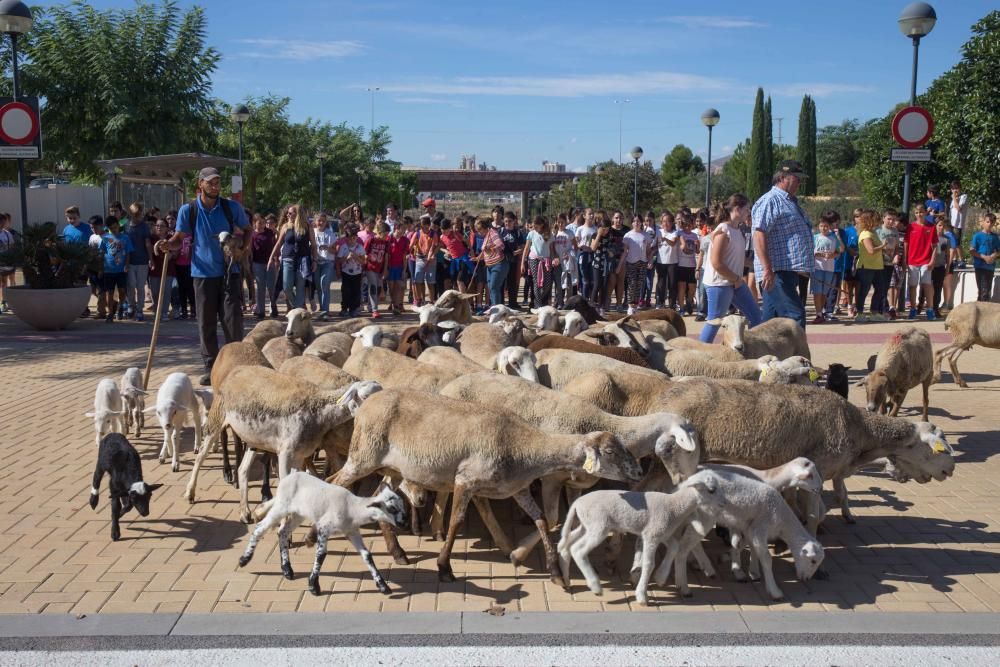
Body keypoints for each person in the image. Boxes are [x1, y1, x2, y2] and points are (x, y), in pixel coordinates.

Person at [157, 167, 250, 384]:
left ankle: (235, 365)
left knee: (232, 321)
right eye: (211, 182)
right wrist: (167, 244)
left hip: (229, 272)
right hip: (202, 274)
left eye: (218, 182)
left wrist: (241, 249)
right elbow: (179, 237)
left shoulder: (230, 207)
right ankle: (210, 367)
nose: (215, 186)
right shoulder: (188, 210)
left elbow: (248, 230)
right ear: (200, 184)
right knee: (206, 323)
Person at [751, 160, 814, 329]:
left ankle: (763, 353)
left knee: (770, 322)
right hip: (776, 272)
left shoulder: (791, 201)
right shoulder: (770, 200)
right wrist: (767, 269)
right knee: (794, 317)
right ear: (782, 177)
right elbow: (759, 234)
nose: (800, 182)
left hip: (785, 271)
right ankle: (799, 355)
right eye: (797, 178)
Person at [699, 194, 763, 343]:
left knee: (756, 316)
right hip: (719, 284)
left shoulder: (737, 230)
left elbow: (737, 258)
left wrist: (757, 264)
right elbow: (716, 263)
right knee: (714, 322)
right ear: (737, 209)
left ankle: (751, 348)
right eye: (747, 209)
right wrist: (736, 279)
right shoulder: (723, 231)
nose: (749, 212)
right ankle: (698, 354)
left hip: (734, 283)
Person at [268, 204, 316, 311]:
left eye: (290, 213)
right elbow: (278, 244)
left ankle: (298, 312)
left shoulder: (307, 227)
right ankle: (298, 308)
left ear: (297, 214)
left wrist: (315, 260)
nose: (288, 215)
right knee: (286, 287)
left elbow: (313, 245)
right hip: (287, 259)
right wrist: (271, 258)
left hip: (303, 261)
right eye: (287, 213)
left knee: (300, 288)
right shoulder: (285, 226)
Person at [904, 203, 939, 320]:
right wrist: (905, 259)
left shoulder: (931, 227)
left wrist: (932, 260)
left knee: (926, 284)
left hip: (926, 260)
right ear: (915, 214)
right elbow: (906, 243)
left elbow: (935, 246)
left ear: (925, 212)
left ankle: (930, 309)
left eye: (921, 212)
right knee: (912, 285)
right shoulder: (911, 227)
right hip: (912, 260)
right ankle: (913, 309)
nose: (919, 215)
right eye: (917, 213)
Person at [100, 217, 133, 323]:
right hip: (108, 270)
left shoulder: (125, 238)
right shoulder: (105, 237)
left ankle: (120, 307)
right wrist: (100, 268)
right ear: (108, 228)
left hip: (121, 270)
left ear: (118, 225)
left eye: (115, 227)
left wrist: (127, 265)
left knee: (122, 291)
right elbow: (102, 253)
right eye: (111, 228)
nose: (113, 230)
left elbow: (128, 253)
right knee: (109, 292)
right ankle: (110, 313)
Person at [123, 202, 153, 321]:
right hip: (130, 261)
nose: (139, 217)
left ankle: (140, 309)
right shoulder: (126, 226)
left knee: (140, 286)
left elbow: (148, 243)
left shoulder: (144, 226)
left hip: (142, 261)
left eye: (140, 215)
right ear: (131, 214)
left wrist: (151, 259)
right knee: (130, 285)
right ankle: (131, 305)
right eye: (136, 215)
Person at [854, 209, 885, 322]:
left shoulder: (873, 232)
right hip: (866, 267)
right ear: (870, 220)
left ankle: (874, 312)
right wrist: (883, 246)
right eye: (876, 219)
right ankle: (860, 313)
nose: (878, 221)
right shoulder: (866, 234)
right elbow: (870, 250)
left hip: (877, 266)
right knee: (864, 290)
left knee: (880, 289)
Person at [811, 215, 841, 324]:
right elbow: (810, 252)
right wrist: (818, 254)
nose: (823, 228)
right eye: (821, 226)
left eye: (826, 226)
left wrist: (832, 255)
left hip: (829, 268)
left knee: (824, 292)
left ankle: (821, 312)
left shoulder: (833, 238)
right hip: (817, 267)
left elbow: (839, 251)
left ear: (829, 227)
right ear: (818, 227)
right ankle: (818, 313)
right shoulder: (815, 237)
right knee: (817, 292)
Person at [522, 216, 554, 308]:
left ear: (542, 225)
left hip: (546, 261)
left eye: (536, 226)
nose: (534, 228)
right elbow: (526, 248)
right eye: (533, 226)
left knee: (547, 284)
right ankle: (538, 305)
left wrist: (553, 260)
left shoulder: (549, 235)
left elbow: (551, 250)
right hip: (534, 259)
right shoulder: (531, 234)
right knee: (537, 282)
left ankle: (541, 300)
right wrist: (523, 263)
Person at [250, 213, 278, 319]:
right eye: (260, 223)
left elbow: (276, 244)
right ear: (254, 223)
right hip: (257, 263)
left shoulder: (270, 232)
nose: (262, 225)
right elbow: (251, 251)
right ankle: (261, 310)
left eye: (263, 223)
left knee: (271, 286)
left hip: (270, 262)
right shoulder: (252, 235)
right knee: (260, 287)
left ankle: (273, 306)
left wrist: (275, 260)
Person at [148, 219, 176, 321]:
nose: (159, 227)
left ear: (167, 228)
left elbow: (176, 250)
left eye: (162, 226)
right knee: (155, 292)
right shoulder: (152, 238)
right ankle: (157, 312)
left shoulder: (171, 238)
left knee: (166, 291)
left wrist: (172, 255)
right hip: (155, 269)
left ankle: (164, 312)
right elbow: (149, 250)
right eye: (157, 225)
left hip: (168, 269)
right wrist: (151, 260)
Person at [336, 222, 366, 317]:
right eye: (350, 238)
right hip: (346, 273)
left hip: (357, 273)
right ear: (347, 238)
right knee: (346, 291)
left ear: (356, 237)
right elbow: (339, 260)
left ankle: (354, 309)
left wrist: (356, 257)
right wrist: (346, 258)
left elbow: (363, 261)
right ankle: (344, 308)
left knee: (356, 291)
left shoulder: (360, 248)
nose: (352, 240)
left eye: (354, 238)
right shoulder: (343, 247)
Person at [623, 217, 651, 315]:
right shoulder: (628, 235)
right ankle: (630, 305)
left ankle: (635, 305)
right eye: (634, 221)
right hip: (631, 262)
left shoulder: (646, 235)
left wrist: (650, 260)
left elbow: (648, 251)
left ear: (641, 223)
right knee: (632, 284)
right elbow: (625, 251)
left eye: (638, 221)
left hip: (642, 262)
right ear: (632, 223)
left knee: (639, 284)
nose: (636, 223)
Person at [876, 210, 901, 319]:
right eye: (889, 219)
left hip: (890, 263)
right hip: (879, 262)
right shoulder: (878, 231)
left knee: (886, 286)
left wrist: (896, 256)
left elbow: (896, 247)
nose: (891, 221)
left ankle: (884, 310)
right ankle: (881, 309)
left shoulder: (895, 232)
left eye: (893, 219)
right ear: (883, 218)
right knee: (880, 287)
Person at [477, 218, 506, 308]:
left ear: (485, 228)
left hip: (498, 265)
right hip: (490, 266)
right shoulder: (487, 235)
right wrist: (477, 258)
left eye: (479, 230)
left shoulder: (492, 233)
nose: (479, 233)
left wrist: (490, 248)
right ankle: (495, 308)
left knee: (493, 288)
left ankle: (496, 310)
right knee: (491, 288)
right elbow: (486, 253)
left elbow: (501, 245)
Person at [313, 213, 338, 320]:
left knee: (324, 283)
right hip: (316, 262)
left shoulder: (330, 234)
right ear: (315, 222)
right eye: (319, 220)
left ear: (326, 222)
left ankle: (325, 310)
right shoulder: (312, 232)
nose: (321, 223)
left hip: (328, 262)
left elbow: (335, 250)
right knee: (318, 286)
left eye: (323, 221)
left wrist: (328, 248)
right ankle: (322, 308)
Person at [970, 213, 999, 302]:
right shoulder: (977, 236)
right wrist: (983, 257)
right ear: (983, 222)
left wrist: (994, 255)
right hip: (980, 266)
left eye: (992, 222)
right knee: (983, 290)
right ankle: (982, 310)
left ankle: (980, 309)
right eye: (987, 222)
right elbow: (972, 250)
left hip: (990, 267)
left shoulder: (995, 237)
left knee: (987, 290)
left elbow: (998, 250)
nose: (989, 224)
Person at [410, 214, 438, 305]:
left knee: (430, 281)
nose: (424, 228)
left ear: (429, 225)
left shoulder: (433, 234)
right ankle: (420, 299)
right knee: (418, 280)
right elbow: (410, 245)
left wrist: (430, 256)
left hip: (431, 260)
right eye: (422, 226)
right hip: (420, 259)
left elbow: (433, 247)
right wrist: (409, 253)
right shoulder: (417, 233)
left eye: (426, 226)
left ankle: (431, 300)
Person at [364, 222, 390, 318]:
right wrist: (369, 258)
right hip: (370, 267)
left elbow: (386, 257)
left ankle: (370, 306)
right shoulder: (370, 240)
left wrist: (385, 269)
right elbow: (364, 253)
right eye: (385, 234)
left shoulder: (386, 242)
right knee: (373, 287)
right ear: (379, 232)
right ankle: (375, 310)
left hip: (379, 268)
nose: (387, 236)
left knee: (378, 288)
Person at [552, 214, 577, 309]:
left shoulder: (570, 233)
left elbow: (575, 246)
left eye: (562, 222)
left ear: (566, 222)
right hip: (558, 262)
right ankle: (559, 302)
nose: (560, 224)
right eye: (558, 222)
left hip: (568, 262)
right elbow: (552, 247)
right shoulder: (554, 233)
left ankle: (571, 303)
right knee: (559, 282)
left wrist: (570, 254)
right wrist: (555, 257)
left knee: (569, 283)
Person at [675, 216, 700, 315]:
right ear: (683, 225)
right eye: (686, 225)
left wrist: (698, 245)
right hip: (681, 265)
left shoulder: (694, 235)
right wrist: (683, 240)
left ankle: (689, 301)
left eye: (690, 225)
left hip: (692, 264)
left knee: (692, 287)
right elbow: (683, 248)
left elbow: (697, 251)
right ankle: (681, 308)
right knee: (682, 287)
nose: (688, 227)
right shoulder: (680, 234)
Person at [654, 211, 678, 309]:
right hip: (661, 262)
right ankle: (660, 302)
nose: (666, 224)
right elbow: (654, 245)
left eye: (668, 221)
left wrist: (665, 239)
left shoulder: (675, 232)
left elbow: (673, 243)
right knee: (661, 284)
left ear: (672, 223)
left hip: (672, 263)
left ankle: (672, 305)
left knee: (672, 284)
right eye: (664, 221)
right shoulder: (659, 232)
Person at [386, 221, 410, 315]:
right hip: (390, 266)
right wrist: (386, 268)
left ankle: (397, 305)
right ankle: (393, 302)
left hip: (399, 266)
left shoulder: (405, 240)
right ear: (397, 228)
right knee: (391, 286)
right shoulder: (389, 239)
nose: (404, 230)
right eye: (403, 228)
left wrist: (404, 270)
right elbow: (387, 255)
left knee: (399, 286)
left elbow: (404, 256)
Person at [574, 208, 597, 303]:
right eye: (589, 214)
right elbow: (575, 243)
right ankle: (584, 301)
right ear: (584, 216)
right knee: (585, 280)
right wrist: (581, 246)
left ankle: (592, 300)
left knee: (592, 280)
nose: (591, 216)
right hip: (583, 256)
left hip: (593, 256)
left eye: (592, 214)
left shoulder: (595, 228)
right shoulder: (580, 229)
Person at [0, 213, 15, 314]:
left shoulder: (7, 233)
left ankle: (7, 301)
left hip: (7, 261)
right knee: (2, 283)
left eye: (2, 222)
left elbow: (12, 246)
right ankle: (3, 302)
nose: (2, 224)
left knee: (8, 281)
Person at [949, 180, 969, 251]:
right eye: (953, 189)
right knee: (951, 244)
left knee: (956, 244)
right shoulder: (953, 199)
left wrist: (954, 198)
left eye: (956, 188)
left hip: (958, 225)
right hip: (951, 224)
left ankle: (961, 260)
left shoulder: (964, 197)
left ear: (960, 188)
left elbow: (958, 208)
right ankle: (954, 259)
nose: (955, 190)